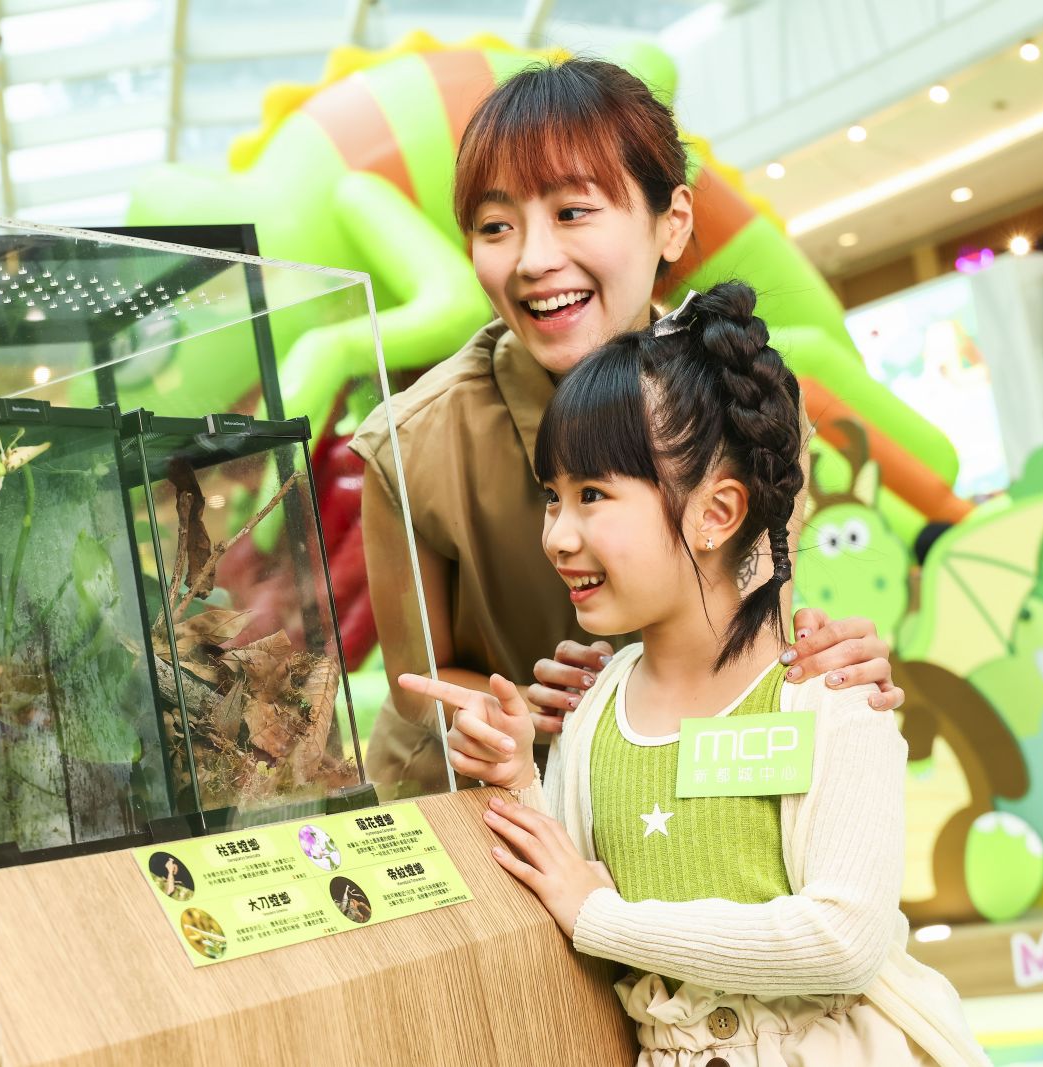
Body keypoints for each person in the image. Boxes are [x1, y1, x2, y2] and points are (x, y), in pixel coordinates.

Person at [401, 283, 986, 1067]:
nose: (559, 535)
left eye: (593, 494)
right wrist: (516, 777)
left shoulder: (833, 695)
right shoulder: (593, 709)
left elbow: (845, 940)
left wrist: (603, 916)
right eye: (551, 497)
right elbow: (568, 892)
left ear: (717, 513)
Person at [349, 58, 904, 797]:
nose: (534, 260)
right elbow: (417, 678)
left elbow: (752, 625)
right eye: (495, 226)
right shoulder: (409, 442)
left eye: (573, 212)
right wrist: (517, 708)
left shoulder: (750, 399)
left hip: (668, 801)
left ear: (672, 222)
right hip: (474, 809)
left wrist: (825, 666)